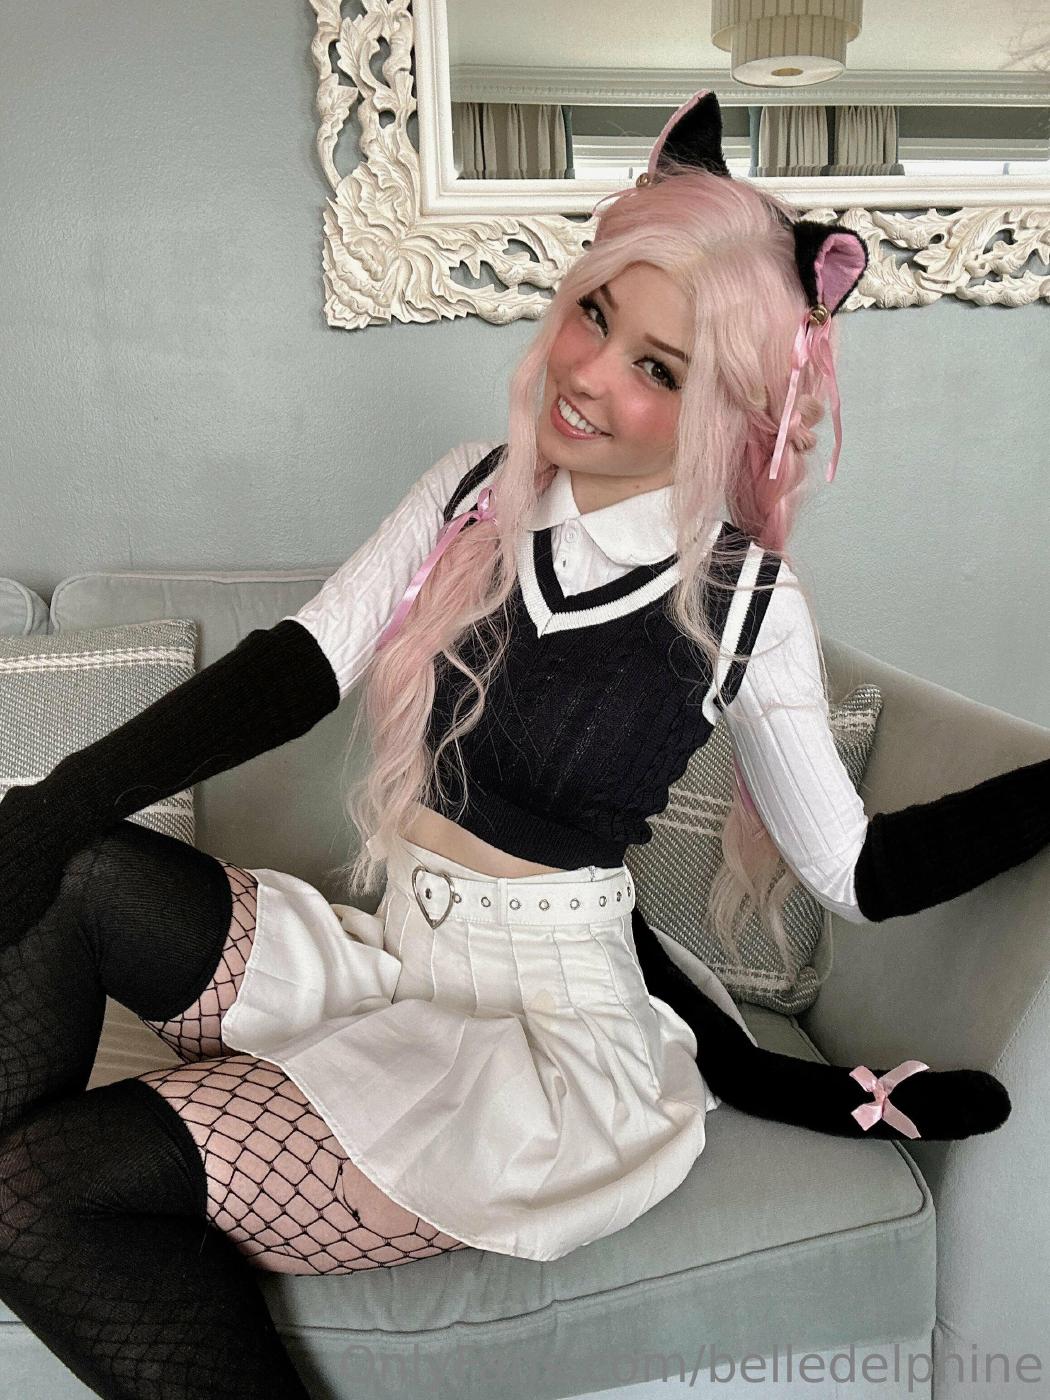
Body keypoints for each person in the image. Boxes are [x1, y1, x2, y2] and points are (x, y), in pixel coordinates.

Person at [0, 90, 1033, 1400]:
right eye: (595, 315)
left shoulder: (743, 602)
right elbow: (294, 667)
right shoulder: (472, 489)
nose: (589, 376)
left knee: (34, 1192)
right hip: (391, 966)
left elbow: (856, 871)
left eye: (659, 369)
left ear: (725, 409)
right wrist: (55, 800)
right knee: (71, 865)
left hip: (536, 1052)